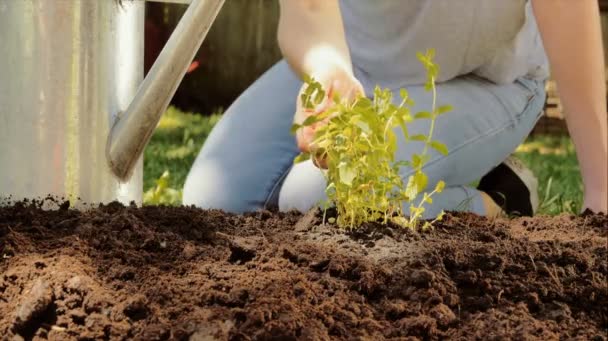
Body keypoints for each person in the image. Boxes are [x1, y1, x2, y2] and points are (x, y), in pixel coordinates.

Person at [183, 0, 608, 218]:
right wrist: (327, 70)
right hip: (357, 62)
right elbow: (308, 9)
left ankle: (497, 202)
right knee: (213, 202)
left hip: (490, 79)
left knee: (317, 197)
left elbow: (568, 9)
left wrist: (601, 188)